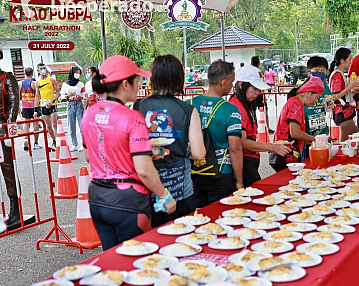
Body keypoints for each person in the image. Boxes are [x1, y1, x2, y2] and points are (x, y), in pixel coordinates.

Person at [81, 55, 176, 251]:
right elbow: (144, 170)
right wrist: (164, 195)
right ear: (125, 83)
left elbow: (89, 156)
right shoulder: (133, 118)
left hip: (97, 198)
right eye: (137, 80)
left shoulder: (90, 113)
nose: (140, 83)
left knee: (112, 260)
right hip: (129, 201)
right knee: (137, 261)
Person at [134, 55, 206, 227]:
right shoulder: (188, 110)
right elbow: (198, 153)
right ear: (179, 78)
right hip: (180, 191)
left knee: (151, 246)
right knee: (183, 243)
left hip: (147, 190)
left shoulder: (138, 106)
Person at [189, 61, 243, 208]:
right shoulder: (230, 110)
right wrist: (239, 181)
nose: (232, 86)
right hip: (221, 174)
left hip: (194, 172)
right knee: (222, 216)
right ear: (223, 82)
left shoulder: (189, 104)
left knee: (199, 217)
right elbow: (235, 149)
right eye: (231, 82)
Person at [230, 65, 291, 186]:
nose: (257, 93)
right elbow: (241, 142)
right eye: (255, 89)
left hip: (250, 159)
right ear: (241, 85)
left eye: (259, 90)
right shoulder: (235, 107)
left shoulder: (246, 104)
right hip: (243, 161)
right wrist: (273, 147)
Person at [271, 77, 324, 172]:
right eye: (317, 97)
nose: (316, 101)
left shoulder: (297, 103)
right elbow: (295, 133)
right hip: (285, 154)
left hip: (287, 153)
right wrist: (317, 140)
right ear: (308, 93)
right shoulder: (296, 103)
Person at [0, 50, 27, 230]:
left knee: (8, 170)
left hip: (2, 131)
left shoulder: (7, 78)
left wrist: (9, 128)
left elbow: (13, 105)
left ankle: (14, 211)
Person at [303, 56, 334, 151]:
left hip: (322, 132)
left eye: (322, 72)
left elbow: (329, 105)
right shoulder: (301, 90)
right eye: (316, 71)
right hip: (306, 135)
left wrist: (332, 106)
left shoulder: (326, 89)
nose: (319, 74)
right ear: (309, 72)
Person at [329, 47, 359, 141]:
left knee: (352, 136)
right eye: (350, 59)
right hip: (341, 111)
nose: (351, 62)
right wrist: (351, 86)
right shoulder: (337, 75)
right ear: (342, 60)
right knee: (347, 141)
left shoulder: (340, 74)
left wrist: (352, 90)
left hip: (345, 112)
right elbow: (335, 96)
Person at [35, 63, 60, 151]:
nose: (43, 70)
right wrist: (35, 109)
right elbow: (37, 96)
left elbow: (58, 93)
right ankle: (54, 141)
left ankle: (57, 140)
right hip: (43, 105)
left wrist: (52, 101)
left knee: (54, 123)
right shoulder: (38, 82)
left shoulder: (52, 80)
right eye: (41, 68)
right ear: (38, 70)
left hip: (52, 104)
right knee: (48, 125)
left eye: (44, 68)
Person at [60, 66, 85, 152]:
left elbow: (84, 95)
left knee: (81, 125)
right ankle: (74, 144)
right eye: (76, 72)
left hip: (78, 105)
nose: (77, 74)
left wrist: (80, 98)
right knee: (71, 125)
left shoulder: (81, 84)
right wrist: (68, 96)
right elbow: (62, 95)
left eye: (79, 73)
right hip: (70, 104)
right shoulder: (65, 84)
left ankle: (83, 144)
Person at [19, 67, 41, 150]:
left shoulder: (20, 83)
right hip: (34, 106)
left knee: (26, 125)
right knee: (36, 125)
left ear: (24, 73)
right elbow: (37, 96)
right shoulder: (34, 83)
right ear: (32, 74)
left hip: (25, 106)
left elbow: (19, 96)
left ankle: (26, 139)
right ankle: (36, 143)